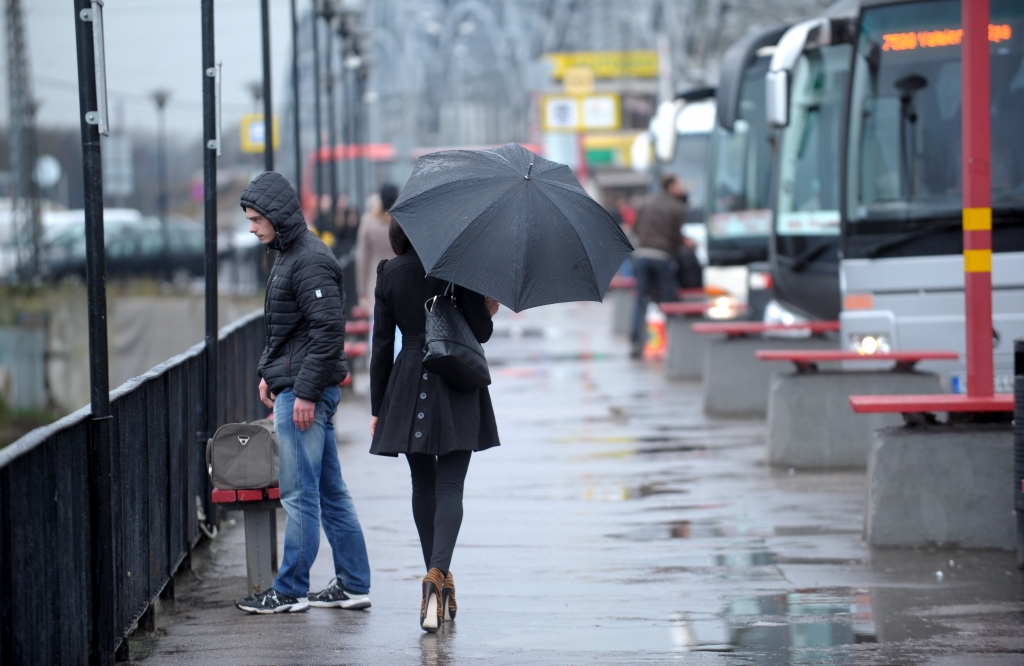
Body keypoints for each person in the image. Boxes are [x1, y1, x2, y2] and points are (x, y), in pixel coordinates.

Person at [235, 171, 372, 614]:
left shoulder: (307, 259)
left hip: (304, 394)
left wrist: (306, 393)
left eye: (256, 219)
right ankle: (354, 583)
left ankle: (290, 589)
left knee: (299, 495)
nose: (251, 228)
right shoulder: (292, 254)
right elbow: (287, 329)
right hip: (298, 387)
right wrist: (269, 374)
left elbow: (328, 331)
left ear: (276, 216)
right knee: (330, 492)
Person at [369, 219, 500, 633]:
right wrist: (488, 306)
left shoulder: (389, 273)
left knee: (423, 485)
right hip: (455, 378)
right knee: (450, 487)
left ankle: (436, 578)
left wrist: (378, 407)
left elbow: (380, 345)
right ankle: (437, 577)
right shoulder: (459, 267)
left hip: (407, 382)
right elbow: (481, 332)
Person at [630, 173, 689, 358]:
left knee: (640, 301)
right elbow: (677, 238)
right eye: (679, 185)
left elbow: (635, 228)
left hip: (643, 255)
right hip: (663, 257)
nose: (682, 188)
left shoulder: (646, 202)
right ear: (671, 186)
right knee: (668, 302)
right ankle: (673, 345)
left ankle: (636, 343)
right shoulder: (678, 207)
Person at [355, 183, 399, 310]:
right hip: (399, 276)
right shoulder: (399, 221)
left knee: (377, 317)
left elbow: (362, 257)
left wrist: (361, 290)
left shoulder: (368, 221)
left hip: (376, 279)